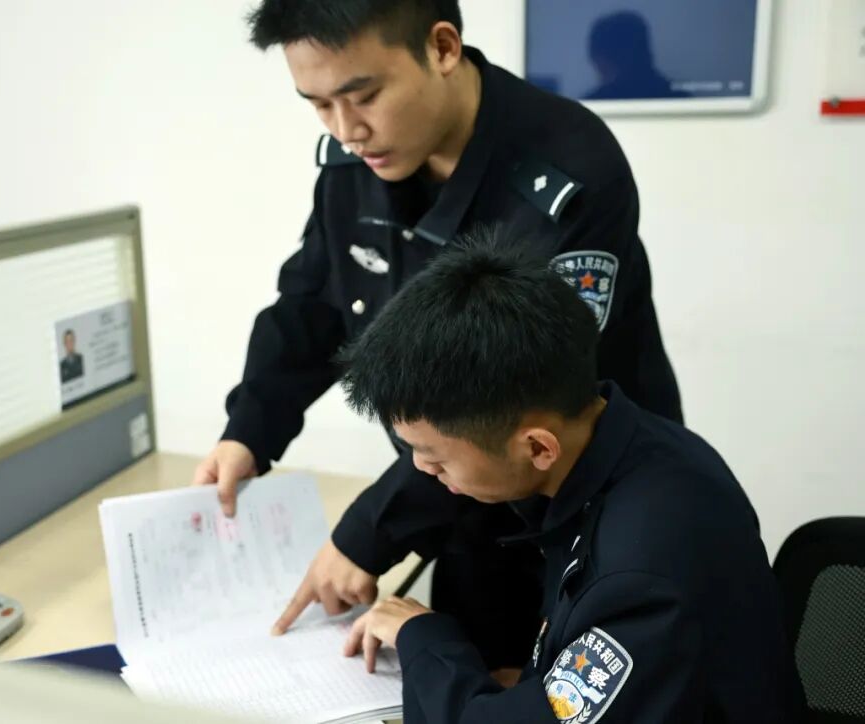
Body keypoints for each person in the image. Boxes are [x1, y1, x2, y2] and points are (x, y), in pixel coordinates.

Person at [193, 0, 682, 676]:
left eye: (364, 95)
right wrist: (247, 432)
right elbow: (313, 304)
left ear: (443, 47)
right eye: (319, 105)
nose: (347, 130)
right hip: (460, 494)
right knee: (463, 677)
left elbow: (502, 393)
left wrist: (368, 532)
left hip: (585, 514)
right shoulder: (355, 163)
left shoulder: (568, 171)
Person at [337, 239, 803, 723]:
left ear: (539, 448)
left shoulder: (639, 579)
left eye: (435, 458)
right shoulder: (635, 445)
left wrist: (422, 639)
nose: (420, 468)